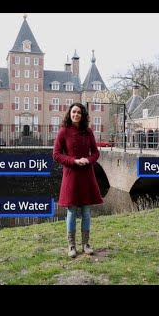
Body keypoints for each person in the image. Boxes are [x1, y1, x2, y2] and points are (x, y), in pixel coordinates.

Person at [53, 103, 103, 258]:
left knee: (87, 212)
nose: (76, 115)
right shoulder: (63, 131)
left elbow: (95, 152)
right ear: (70, 113)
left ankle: (86, 244)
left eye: (79, 112)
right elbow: (56, 154)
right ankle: (71, 246)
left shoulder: (88, 132)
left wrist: (88, 160)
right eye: (74, 112)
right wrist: (73, 161)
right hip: (71, 176)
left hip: (87, 175)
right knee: (72, 211)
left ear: (83, 115)